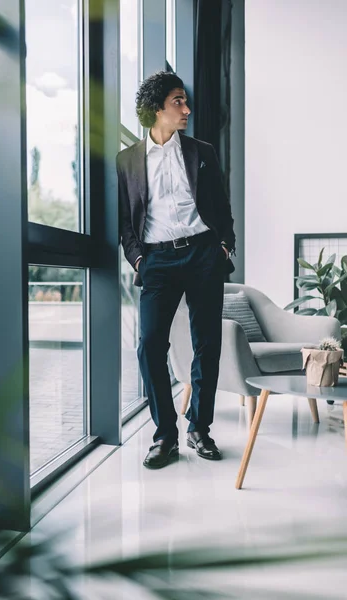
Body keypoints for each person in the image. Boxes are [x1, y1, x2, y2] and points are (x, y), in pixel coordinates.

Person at [116, 71, 236, 469]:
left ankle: (199, 427)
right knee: (149, 343)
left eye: (185, 101)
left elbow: (221, 205)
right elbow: (125, 221)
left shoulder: (202, 151)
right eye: (178, 102)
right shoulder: (127, 160)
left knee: (207, 343)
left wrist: (224, 244)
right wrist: (138, 259)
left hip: (203, 253)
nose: (186, 109)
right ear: (156, 110)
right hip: (158, 261)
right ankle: (165, 433)